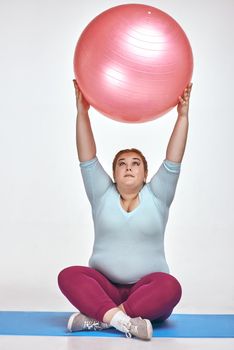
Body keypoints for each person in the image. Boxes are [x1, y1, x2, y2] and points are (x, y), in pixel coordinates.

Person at [58, 80, 192, 341]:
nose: (128, 167)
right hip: (104, 290)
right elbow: (87, 157)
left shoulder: (158, 195)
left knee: (171, 287)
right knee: (69, 276)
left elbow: (174, 157)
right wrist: (82, 112)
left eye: (135, 164)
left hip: (147, 293)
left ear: (145, 174)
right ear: (114, 173)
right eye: (121, 164)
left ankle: (103, 320)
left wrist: (182, 117)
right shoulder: (101, 194)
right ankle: (124, 322)